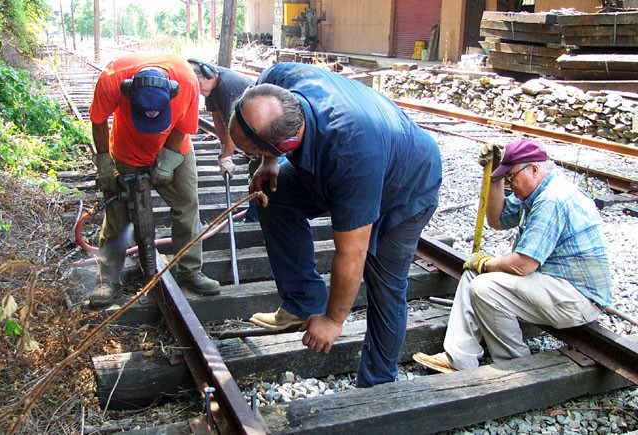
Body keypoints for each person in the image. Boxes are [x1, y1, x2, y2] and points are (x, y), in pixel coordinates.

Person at [227, 62, 442, 388]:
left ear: (285, 143)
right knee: (272, 192)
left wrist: (332, 319)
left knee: (384, 280)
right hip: (357, 158)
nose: (248, 157)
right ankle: (303, 300)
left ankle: (377, 384)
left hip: (406, 187)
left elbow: (351, 253)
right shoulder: (280, 78)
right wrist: (267, 162)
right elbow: (265, 122)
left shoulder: (350, 154)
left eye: (250, 152)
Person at [413, 138, 612, 373]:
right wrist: (494, 177)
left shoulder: (552, 199)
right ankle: (459, 358)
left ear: (534, 169)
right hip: (554, 285)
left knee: (486, 287)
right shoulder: (537, 192)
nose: (510, 184)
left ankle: (514, 362)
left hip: (578, 298)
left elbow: (523, 265)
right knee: (472, 274)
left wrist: (487, 263)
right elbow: (497, 220)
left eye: (511, 176)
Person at [88, 52, 220, 308]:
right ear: (128, 92)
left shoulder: (186, 81)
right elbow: (98, 119)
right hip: (126, 149)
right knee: (117, 213)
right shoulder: (112, 79)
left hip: (175, 147)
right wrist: (104, 164)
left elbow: (184, 126)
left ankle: (190, 271)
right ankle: (108, 278)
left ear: (171, 93)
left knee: (187, 205)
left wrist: (168, 161)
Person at [187, 58, 254, 179]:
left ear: (208, 75)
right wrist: (224, 146)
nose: (199, 91)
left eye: (199, 85)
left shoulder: (227, 87)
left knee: (257, 161)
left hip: (257, 119)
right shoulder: (211, 86)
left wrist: (227, 156)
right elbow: (216, 115)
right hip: (246, 120)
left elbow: (233, 125)